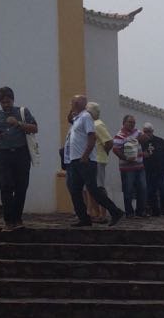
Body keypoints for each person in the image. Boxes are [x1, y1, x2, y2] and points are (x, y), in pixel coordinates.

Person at [63, 94, 125, 228]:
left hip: (85, 160)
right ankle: (84, 218)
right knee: (75, 190)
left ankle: (116, 212)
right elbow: (69, 118)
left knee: (93, 189)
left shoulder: (86, 117)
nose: (71, 104)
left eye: (73, 102)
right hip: (74, 160)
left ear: (78, 104)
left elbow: (92, 137)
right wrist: (72, 110)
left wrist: (86, 154)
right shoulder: (77, 118)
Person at [0, 87, 37, 232]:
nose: (6, 105)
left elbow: (34, 128)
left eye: (8, 102)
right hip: (3, 154)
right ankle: (8, 221)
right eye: (3, 102)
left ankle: (18, 219)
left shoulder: (22, 112)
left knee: (21, 187)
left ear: (12, 100)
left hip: (21, 154)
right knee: (6, 187)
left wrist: (18, 123)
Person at [112, 115, 148, 217]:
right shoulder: (120, 135)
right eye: (130, 122)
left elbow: (145, 139)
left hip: (140, 166)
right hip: (127, 168)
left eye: (133, 122)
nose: (132, 124)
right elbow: (115, 149)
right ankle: (129, 212)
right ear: (124, 123)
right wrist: (125, 158)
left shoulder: (137, 132)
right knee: (128, 189)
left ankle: (140, 211)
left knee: (143, 188)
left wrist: (141, 137)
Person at [84, 102, 114, 222]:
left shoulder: (97, 125)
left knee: (99, 188)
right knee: (91, 188)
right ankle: (95, 213)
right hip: (92, 160)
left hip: (98, 160)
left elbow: (109, 142)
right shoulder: (91, 124)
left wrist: (104, 153)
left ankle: (103, 214)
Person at [140, 123, 164, 217]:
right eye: (145, 131)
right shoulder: (141, 143)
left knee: (163, 190)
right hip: (149, 171)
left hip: (161, 170)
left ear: (152, 131)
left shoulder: (160, 141)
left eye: (149, 131)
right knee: (151, 191)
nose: (148, 133)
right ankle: (154, 210)